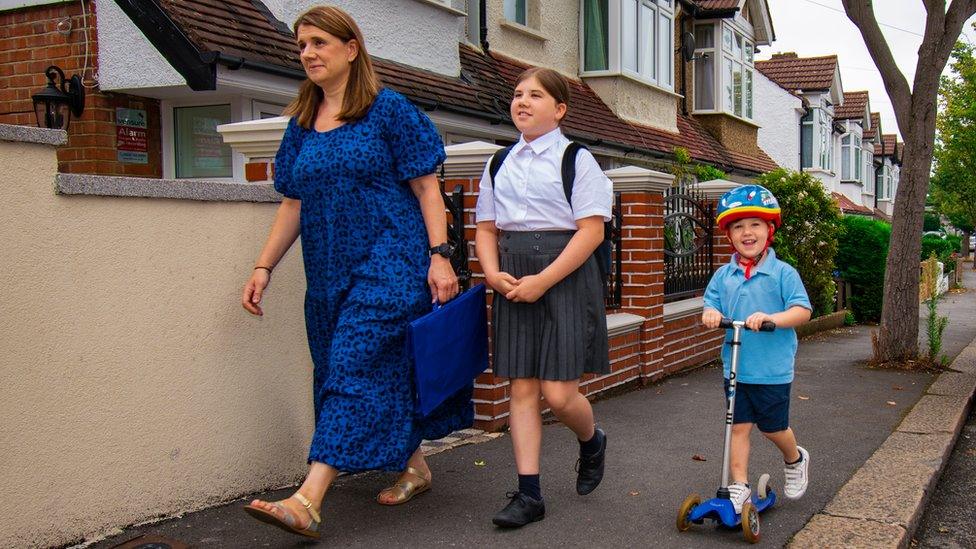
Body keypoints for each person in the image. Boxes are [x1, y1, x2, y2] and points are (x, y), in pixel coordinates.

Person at [239, 5, 472, 538]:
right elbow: (293, 204)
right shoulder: (302, 124)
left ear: (351, 49)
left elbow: (426, 190)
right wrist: (263, 266)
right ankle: (416, 465)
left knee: (351, 365)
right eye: (301, 45)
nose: (308, 53)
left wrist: (439, 254)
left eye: (319, 42)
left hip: (391, 261)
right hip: (326, 273)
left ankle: (308, 499)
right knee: (345, 370)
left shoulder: (388, 111)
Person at [474, 67, 612, 528]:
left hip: (566, 274)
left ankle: (591, 440)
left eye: (535, 95)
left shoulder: (577, 159)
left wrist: (543, 280)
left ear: (559, 109)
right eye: (517, 94)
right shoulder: (498, 163)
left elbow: (591, 233)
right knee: (522, 388)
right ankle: (529, 494)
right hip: (513, 275)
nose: (522, 101)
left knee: (558, 393)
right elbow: (487, 229)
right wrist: (493, 274)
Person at [700, 185, 813, 514]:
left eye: (754, 224)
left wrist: (772, 319)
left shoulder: (782, 273)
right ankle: (739, 486)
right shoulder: (724, 275)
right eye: (738, 226)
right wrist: (710, 314)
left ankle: (794, 458)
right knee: (738, 426)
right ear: (730, 235)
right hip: (736, 365)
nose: (747, 232)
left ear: (769, 229)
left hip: (772, 368)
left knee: (773, 427)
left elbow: (802, 311)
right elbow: (711, 304)